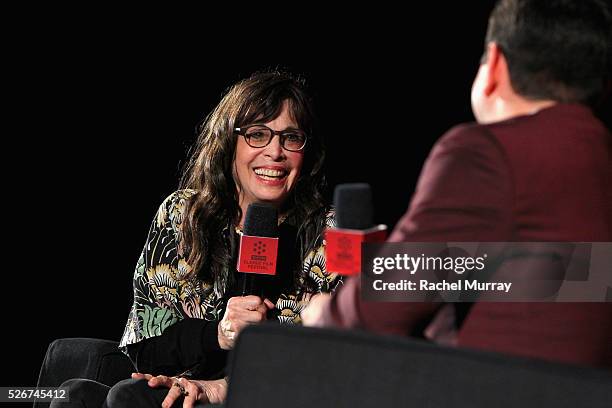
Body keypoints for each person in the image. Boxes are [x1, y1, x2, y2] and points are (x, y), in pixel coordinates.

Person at [303, 0, 612, 368]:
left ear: (495, 63)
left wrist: (321, 311)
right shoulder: (596, 153)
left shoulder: (487, 152)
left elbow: (381, 309)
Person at [52, 71, 341, 407]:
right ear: (228, 143)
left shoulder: (332, 233)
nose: (275, 152)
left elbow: (342, 355)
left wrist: (221, 387)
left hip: (263, 393)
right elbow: (146, 342)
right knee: (72, 390)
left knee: (129, 398)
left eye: (291, 138)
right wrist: (218, 334)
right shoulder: (182, 214)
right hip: (175, 378)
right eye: (257, 134)